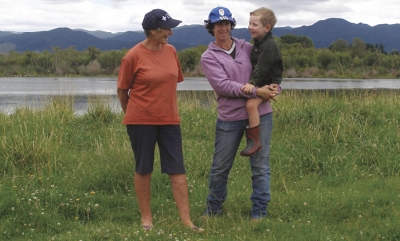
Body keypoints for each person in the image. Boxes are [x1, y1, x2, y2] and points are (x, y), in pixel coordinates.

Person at [117, 9, 203, 232]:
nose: (171, 33)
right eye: (166, 29)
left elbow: (174, 80)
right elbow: (122, 89)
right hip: (140, 121)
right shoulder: (133, 55)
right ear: (152, 31)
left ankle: (187, 222)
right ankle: (146, 219)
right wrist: (133, 115)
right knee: (144, 168)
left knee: (177, 169)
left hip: (170, 120)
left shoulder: (171, 51)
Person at [200, 6, 280, 221]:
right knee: (220, 167)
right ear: (212, 27)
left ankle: (259, 213)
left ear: (231, 25)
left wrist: (273, 89)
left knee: (260, 166)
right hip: (230, 118)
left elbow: (268, 68)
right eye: (219, 24)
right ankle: (213, 210)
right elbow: (224, 86)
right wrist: (256, 91)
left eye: (227, 24)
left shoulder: (247, 47)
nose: (223, 28)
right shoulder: (208, 57)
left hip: (261, 114)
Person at [240, 7, 284, 156]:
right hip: (265, 82)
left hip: (269, 83)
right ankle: (254, 140)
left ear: (267, 27)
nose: (250, 27)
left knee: (251, 104)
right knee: (251, 104)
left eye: (254, 24)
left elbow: (262, 67)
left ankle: (255, 141)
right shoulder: (259, 43)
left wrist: (252, 83)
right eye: (249, 23)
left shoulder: (268, 46)